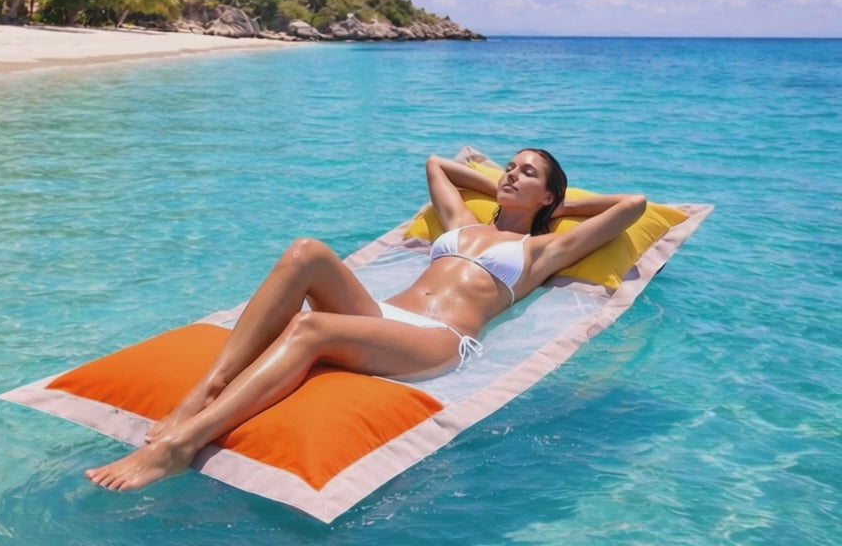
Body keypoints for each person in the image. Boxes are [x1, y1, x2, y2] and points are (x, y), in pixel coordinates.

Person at [85, 149, 646, 491]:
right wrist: (508, 186)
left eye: (527, 174)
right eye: (508, 167)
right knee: (306, 251)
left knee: (308, 327)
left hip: (434, 341)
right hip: (383, 315)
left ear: (550, 195)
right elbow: (439, 166)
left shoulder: (543, 250)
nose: (510, 175)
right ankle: (206, 388)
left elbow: (634, 206)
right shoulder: (459, 223)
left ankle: (180, 445)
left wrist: (554, 210)